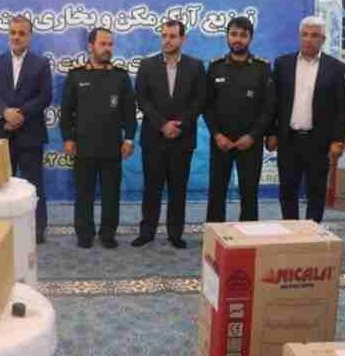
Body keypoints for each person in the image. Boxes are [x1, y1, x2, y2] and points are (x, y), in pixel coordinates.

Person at [131, 20, 206, 249]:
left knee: (178, 189)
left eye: (172, 36)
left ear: (183, 39)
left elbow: (200, 100)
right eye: (164, 35)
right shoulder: (147, 65)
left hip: (182, 139)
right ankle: (147, 232)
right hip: (154, 138)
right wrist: (163, 125)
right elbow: (142, 99)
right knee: (151, 189)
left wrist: (179, 124)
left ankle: (175, 234)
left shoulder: (195, 66)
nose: (167, 40)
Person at [265, 15, 345, 223]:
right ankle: (291, 231)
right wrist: (271, 132)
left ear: (323, 39)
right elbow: (273, 102)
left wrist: (338, 140)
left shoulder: (335, 67)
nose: (308, 39)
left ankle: (313, 232)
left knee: (316, 192)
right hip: (288, 139)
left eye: (314, 35)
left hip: (318, 141)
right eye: (305, 35)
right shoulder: (283, 64)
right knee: (287, 190)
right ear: (299, 36)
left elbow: (340, 107)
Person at [60, 27, 137, 249]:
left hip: (113, 146)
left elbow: (130, 113)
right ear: (90, 46)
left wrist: (129, 139)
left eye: (110, 44)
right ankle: (84, 233)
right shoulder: (76, 75)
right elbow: (66, 112)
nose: (107, 48)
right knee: (84, 193)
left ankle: (108, 233)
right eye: (102, 44)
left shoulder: (121, 76)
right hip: (83, 146)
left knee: (111, 194)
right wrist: (68, 138)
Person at [0, 15, 53, 243]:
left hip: (30, 133)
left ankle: (37, 229)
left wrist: (20, 114)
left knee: (33, 185)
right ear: (8, 34)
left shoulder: (41, 63)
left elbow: (45, 97)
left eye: (21, 33)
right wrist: (5, 112)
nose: (16, 37)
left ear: (30, 36)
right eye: (13, 32)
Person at [203, 16, 276, 223]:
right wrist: (217, 134)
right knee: (216, 192)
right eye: (234, 34)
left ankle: (248, 235)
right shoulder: (215, 67)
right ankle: (214, 234)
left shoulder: (262, 68)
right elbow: (207, 106)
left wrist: (253, 136)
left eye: (243, 35)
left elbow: (269, 107)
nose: (238, 39)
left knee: (249, 193)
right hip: (221, 142)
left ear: (250, 38)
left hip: (250, 143)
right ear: (227, 36)